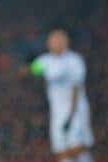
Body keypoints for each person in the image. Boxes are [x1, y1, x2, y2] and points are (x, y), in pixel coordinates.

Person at [29, 29, 95, 162]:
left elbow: (76, 88)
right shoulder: (45, 60)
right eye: (52, 40)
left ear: (66, 42)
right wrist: (30, 67)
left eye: (58, 40)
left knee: (77, 148)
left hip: (76, 110)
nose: (55, 43)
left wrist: (71, 114)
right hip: (57, 112)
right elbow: (33, 68)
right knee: (61, 152)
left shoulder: (74, 60)